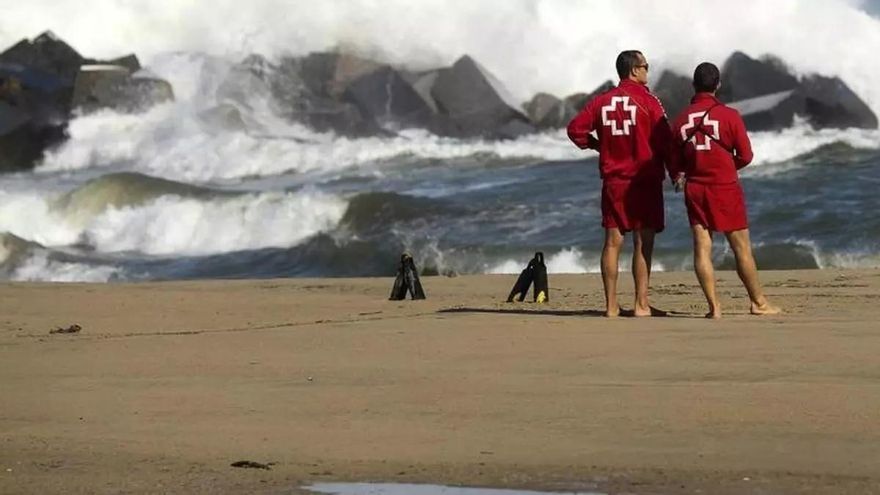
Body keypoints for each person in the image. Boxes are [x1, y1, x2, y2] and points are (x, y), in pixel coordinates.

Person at [669, 62, 781, 319]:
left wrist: (682, 174)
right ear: (718, 85)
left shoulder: (680, 120)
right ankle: (758, 303)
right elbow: (746, 155)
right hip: (725, 187)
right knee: (741, 248)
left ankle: (714, 307)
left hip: (695, 188)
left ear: (693, 85)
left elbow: (675, 163)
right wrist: (727, 167)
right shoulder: (730, 116)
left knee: (702, 247)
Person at [567, 50, 673, 317]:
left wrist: (597, 146)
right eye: (645, 66)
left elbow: (575, 130)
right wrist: (677, 171)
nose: (648, 71)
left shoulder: (601, 102)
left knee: (612, 242)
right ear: (634, 71)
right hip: (644, 180)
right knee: (642, 243)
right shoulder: (649, 102)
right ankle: (641, 304)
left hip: (614, 181)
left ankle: (611, 306)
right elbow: (665, 141)